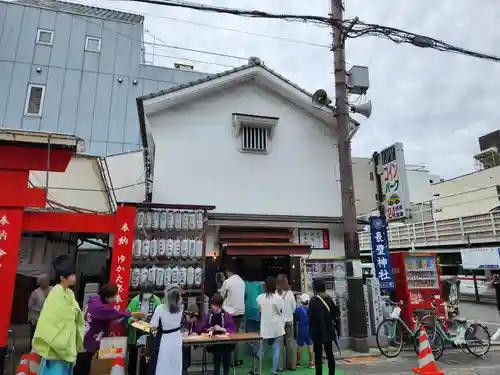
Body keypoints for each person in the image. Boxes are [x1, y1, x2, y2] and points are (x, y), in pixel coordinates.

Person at [73, 284, 146, 375]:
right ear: (107, 297)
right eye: (115, 295)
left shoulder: (95, 299)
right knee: (83, 366)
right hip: (90, 338)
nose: (116, 297)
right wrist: (140, 314)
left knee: (85, 362)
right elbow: (120, 314)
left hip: (87, 334)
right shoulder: (102, 309)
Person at [32, 255, 84, 375]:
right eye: (71, 275)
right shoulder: (56, 294)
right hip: (58, 347)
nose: (74, 277)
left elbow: (73, 317)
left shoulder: (69, 293)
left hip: (67, 343)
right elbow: (53, 322)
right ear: (62, 278)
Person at [195, 294, 237, 375]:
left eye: (215, 305)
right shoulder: (209, 315)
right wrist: (208, 330)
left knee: (227, 351)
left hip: (225, 342)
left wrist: (222, 329)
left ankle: (226, 371)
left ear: (220, 305)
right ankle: (216, 372)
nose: (213, 307)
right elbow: (201, 328)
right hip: (213, 343)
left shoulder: (226, 315)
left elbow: (232, 330)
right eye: (212, 305)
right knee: (218, 353)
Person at [127, 282, 162, 375]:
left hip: (150, 332)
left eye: (149, 292)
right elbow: (128, 315)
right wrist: (134, 321)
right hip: (136, 333)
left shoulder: (157, 300)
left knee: (150, 358)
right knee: (134, 358)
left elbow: (160, 316)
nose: (147, 294)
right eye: (145, 292)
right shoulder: (135, 300)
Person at [148, 285, 184, 375]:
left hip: (166, 338)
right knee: (176, 363)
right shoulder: (181, 308)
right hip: (177, 337)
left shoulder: (160, 308)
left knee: (164, 363)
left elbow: (153, 325)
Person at [308, 279, 339, 375]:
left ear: (315, 288)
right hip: (328, 330)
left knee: (318, 355)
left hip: (317, 331)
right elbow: (335, 314)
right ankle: (331, 373)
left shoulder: (313, 300)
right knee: (330, 354)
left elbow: (310, 316)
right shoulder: (329, 299)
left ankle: (319, 373)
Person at [255, 276, 284, 375]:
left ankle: (258, 369)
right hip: (277, 326)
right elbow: (280, 310)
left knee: (262, 348)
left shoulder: (259, 298)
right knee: (276, 349)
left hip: (265, 326)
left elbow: (260, 311)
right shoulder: (278, 298)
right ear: (275, 285)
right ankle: (273, 371)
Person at [219, 263, 245, 366]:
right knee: (236, 336)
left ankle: (227, 360)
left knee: (227, 335)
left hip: (229, 313)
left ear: (228, 272)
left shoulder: (227, 282)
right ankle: (236, 359)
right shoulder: (242, 282)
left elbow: (221, 296)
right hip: (240, 313)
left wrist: (222, 281)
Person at [277, 274, 297, 371]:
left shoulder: (275, 293)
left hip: (279, 322)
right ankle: (292, 365)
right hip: (289, 321)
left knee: (279, 344)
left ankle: (280, 367)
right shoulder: (290, 293)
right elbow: (294, 307)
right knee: (290, 343)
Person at [28, 274, 52, 344]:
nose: (47, 282)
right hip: (37, 318)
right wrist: (39, 310)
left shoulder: (52, 289)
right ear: (40, 282)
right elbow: (30, 306)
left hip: (49, 317)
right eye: (44, 281)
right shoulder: (35, 293)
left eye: (48, 280)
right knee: (36, 336)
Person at [295, 294, 314, 368]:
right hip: (309, 329)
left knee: (299, 347)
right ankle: (311, 362)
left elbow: (296, 317)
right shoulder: (311, 309)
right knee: (310, 346)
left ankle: (298, 362)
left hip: (301, 329)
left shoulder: (298, 309)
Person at [181, 303, 200, 375]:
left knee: (186, 363)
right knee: (183, 363)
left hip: (187, 344)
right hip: (181, 344)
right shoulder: (183, 319)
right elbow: (183, 333)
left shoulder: (192, 321)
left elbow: (195, 329)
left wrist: (194, 333)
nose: (194, 319)